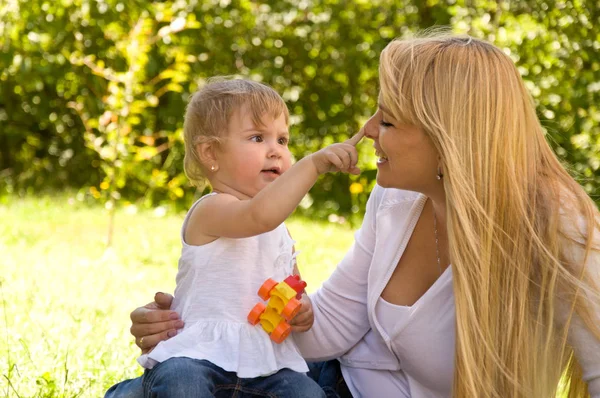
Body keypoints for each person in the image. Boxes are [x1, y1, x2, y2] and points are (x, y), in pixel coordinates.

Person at [109, 33, 600, 397]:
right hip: (326, 381)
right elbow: (331, 326)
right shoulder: (396, 198)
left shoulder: (556, 224)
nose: (367, 130)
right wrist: (208, 317)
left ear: (448, 137)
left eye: (387, 119)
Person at [106, 78, 364, 398]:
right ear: (210, 152)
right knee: (182, 383)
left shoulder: (280, 230)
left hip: (265, 365)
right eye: (258, 137)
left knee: (307, 393)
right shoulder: (212, 211)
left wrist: (302, 310)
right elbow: (258, 216)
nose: (276, 151)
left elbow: (291, 286)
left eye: (282, 140)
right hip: (198, 355)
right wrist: (312, 165)